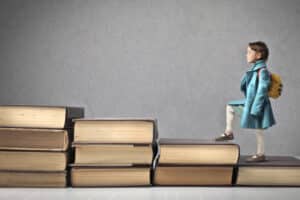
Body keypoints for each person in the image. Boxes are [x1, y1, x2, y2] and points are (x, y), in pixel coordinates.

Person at [215, 41, 276, 162]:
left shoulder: (262, 71)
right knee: (230, 107)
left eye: (249, 52)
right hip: (251, 103)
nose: (246, 55)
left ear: (258, 55)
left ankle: (260, 154)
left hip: (259, 106)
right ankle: (229, 132)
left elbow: (262, 91)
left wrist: (256, 109)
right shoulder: (255, 69)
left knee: (259, 131)